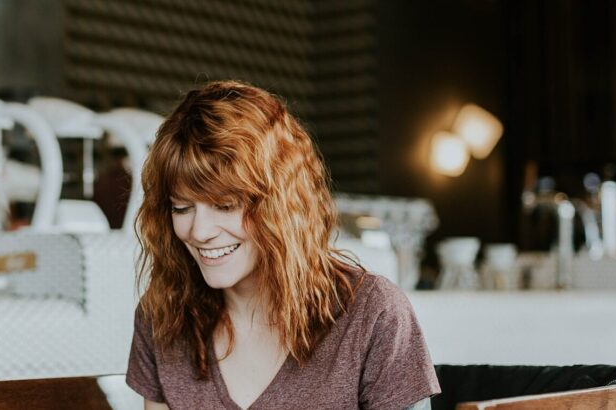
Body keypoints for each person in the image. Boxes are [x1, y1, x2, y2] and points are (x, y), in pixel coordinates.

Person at [126, 81, 440, 409]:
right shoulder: (162, 316)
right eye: (182, 207)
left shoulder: (374, 314)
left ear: (280, 204)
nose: (200, 231)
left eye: (225, 205)